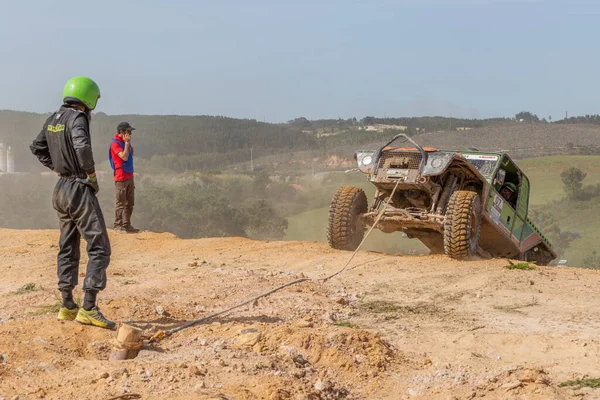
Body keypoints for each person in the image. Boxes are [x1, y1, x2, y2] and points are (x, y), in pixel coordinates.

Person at [30, 76, 115, 329]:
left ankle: (67, 305)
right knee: (99, 247)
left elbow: (36, 147)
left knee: (67, 246)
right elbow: (81, 146)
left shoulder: (53, 118)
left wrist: (55, 167)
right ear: (88, 98)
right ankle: (88, 307)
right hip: (78, 188)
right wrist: (90, 175)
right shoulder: (78, 118)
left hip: (61, 190)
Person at [109, 122, 139, 233]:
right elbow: (125, 157)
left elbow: (131, 154)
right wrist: (126, 143)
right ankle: (118, 225)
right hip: (121, 176)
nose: (130, 134)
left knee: (130, 202)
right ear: (122, 132)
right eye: (128, 132)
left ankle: (126, 224)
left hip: (129, 175)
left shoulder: (125, 143)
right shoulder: (115, 143)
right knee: (121, 202)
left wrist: (127, 143)